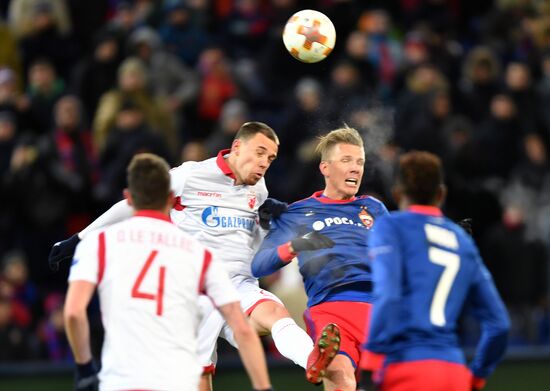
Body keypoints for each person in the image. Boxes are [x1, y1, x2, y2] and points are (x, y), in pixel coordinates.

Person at [51, 122, 340, 390]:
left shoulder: (259, 189)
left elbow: (251, 240)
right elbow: (131, 204)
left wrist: (269, 225)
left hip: (239, 286)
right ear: (237, 147)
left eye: (271, 158)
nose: (265, 162)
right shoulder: (190, 175)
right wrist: (78, 238)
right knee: (201, 374)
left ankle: (313, 360)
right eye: (260, 152)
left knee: (276, 314)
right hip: (194, 291)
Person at [63, 153, 272, 391]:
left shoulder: (99, 243)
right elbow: (243, 329)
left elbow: (73, 313)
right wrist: (263, 386)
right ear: (171, 197)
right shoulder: (199, 253)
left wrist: (85, 368)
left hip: (120, 378)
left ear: (128, 198)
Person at [252, 127, 389, 391]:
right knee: (340, 380)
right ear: (325, 167)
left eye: (360, 162)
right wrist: (294, 245)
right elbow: (259, 265)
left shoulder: (373, 208)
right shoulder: (297, 213)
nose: (355, 169)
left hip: (380, 307)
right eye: (346, 161)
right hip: (331, 309)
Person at [358, 151, 510, 391]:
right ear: (441, 194)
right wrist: (477, 376)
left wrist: (368, 366)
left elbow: (388, 296)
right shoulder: (462, 240)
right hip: (454, 373)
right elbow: (499, 325)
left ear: (397, 193)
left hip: (405, 370)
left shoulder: (390, 226)